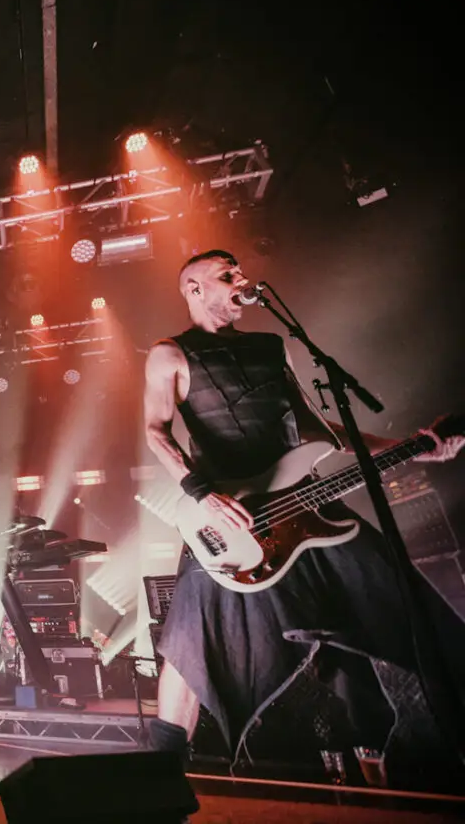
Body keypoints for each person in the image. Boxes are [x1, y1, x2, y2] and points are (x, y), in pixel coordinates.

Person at [142, 249, 465, 772]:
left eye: (239, 270)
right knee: (190, 638)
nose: (241, 279)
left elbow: (319, 432)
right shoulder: (170, 354)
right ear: (194, 289)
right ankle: (160, 769)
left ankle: (432, 736)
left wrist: (408, 445)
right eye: (228, 274)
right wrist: (204, 494)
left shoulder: (273, 346)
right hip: (228, 513)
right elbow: (155, 431)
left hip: (306, 506)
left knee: (402, 595)